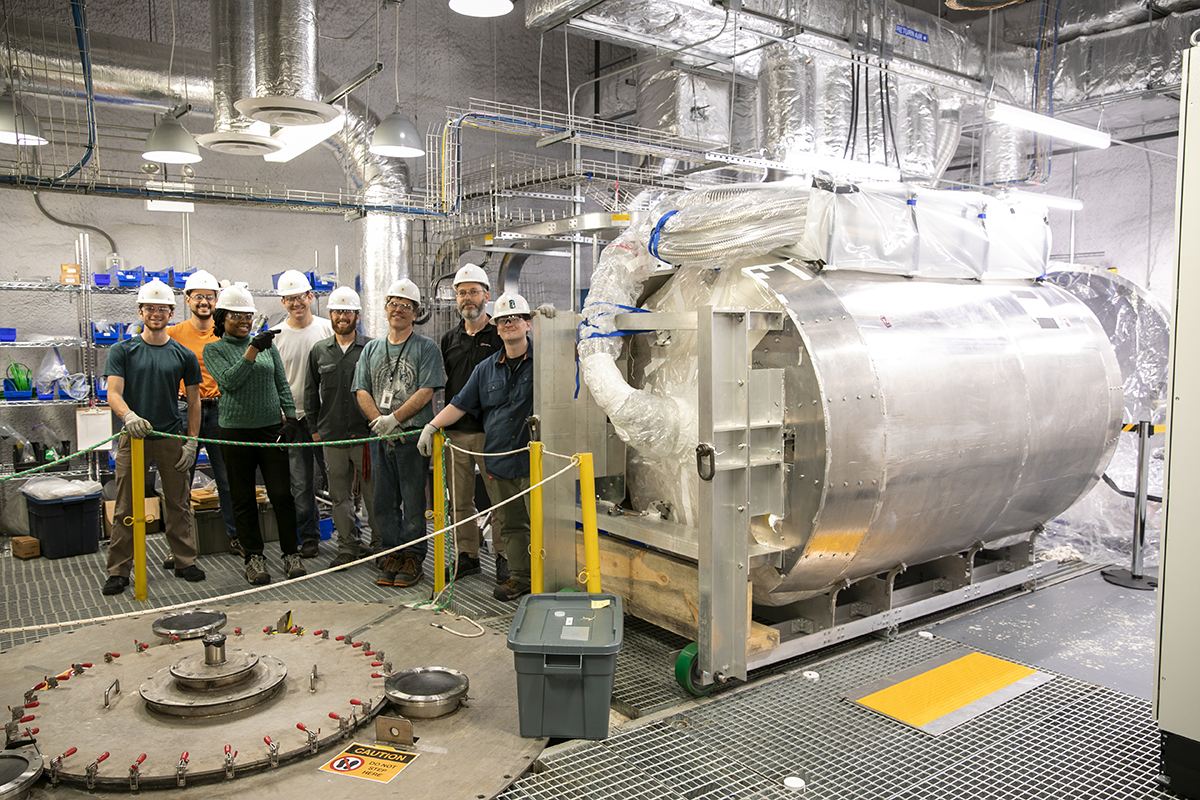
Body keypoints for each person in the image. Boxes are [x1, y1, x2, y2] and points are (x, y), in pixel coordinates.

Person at [419, 292, 536, 602]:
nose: (508, 324)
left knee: (541, 524)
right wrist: (432, 426)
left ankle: (547, 579)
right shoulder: (486, 369)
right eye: (502, 320)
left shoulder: (547, 362)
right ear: (496, 328)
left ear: (527, 324)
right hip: (498, 459)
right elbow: (460, 404)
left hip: (534, 462)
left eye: (515, 319)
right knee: (510, 525)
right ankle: (521, 578)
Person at [102, 279, 205, 595]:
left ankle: (184, 560)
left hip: (170, 437)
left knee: (178, 503)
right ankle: (119, 570)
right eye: (150, 308)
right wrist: (129, 416)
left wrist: (191, 441)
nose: (156, 313)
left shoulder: (183, 355)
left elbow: (194, 400)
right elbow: (113, 392)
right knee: (124, 507)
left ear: (171, 312)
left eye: (162, 308)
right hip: (132, 438)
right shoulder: (123, 350)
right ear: (140, 311)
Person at [203, 285, 306, 586]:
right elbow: (229, 382)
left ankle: (291, 553)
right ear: (222, 318)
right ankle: (254, 557)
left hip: (271, 429)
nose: (245, 320)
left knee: (281, 495)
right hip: (235, 431)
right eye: (236, 315)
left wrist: (291, 419)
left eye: (248, 315)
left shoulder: (267, 346)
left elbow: (281, 383)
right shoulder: (215, 349)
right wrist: (252, 349)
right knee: (243, 497)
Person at [353, 278, 445, 588]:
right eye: (394, 304)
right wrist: (379, 421)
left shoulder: (426, 348)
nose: (399, 310)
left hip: (412, 438)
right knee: (382, 501)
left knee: (413, 500)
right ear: (386, 307)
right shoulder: (372, 349)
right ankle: (391, 553)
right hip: (381, 437)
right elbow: (362, 389)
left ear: (416, 312)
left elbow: (427, 390)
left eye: (406, 306)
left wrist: (394, 418)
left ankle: (413, 557)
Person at [438, 263, 508, 583]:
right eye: (462, 293)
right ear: (455, 298)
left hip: (492, 432)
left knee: (500, 497)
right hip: (456, 432)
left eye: (474, 292)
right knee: (460, 499)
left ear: (486, 295)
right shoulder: (448, 339)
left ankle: (505, 556)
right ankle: (468, 554)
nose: (468, 298)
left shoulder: (499, 335)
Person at [167, 269, 242, 558]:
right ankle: (179, 547)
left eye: (209, 297)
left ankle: (236, 537)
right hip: (185, 410)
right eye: (198, 296)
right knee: (179, 481)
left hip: (221, 410)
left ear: (216, 300)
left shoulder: (224, 333)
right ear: (187, 300)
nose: (204, 302)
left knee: (227, 478)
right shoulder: (174, 334)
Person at [305, 286, 379, 569]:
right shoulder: (319, 351)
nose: (341, 316)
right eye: (336, 311)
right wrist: (314, 427)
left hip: (366, 436)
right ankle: (347, 546)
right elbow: (310, 392)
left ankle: (380, 547)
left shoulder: (371, 348)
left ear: (356, 316)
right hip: (332, 435)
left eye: (347, 312)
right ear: (331, 315)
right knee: (339, 497)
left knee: (373, 496)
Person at [273, 268, 333, 559]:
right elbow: (271, 378)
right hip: (293, 420)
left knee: (338, 479)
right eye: (290, 299)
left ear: (311, 297)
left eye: (301, 298)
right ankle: (309, 537)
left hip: (325, 418)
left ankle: (353, 534)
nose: (297, 304)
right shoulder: (276, 336)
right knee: (301, 484)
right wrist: (280, 413)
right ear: (283, 302)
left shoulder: (326, 329)